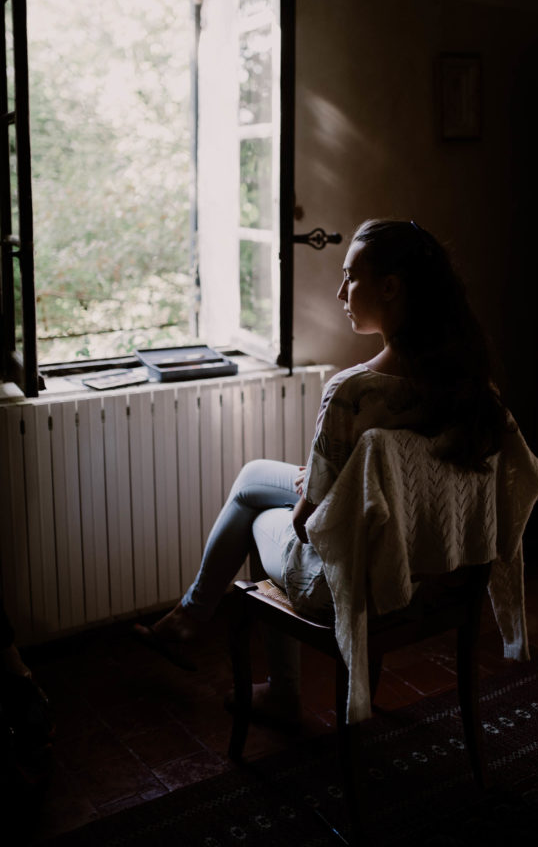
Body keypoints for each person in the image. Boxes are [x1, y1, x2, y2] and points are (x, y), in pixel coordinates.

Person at [134, 218, 510, 723]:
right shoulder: (472, 387)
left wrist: (311, 490)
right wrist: (318, 482)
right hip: (431, 571)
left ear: (391, 287)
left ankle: (266, 679)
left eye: (350, 276)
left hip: (350, 581)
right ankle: (191, 620)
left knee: (254, 511)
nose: (340, 291)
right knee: (254, 478)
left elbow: (306, 527)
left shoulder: (354, 392)